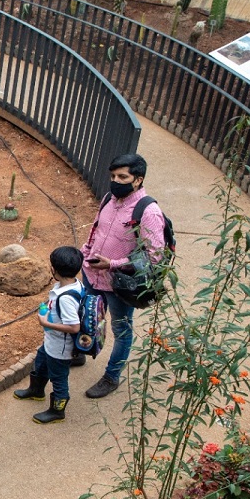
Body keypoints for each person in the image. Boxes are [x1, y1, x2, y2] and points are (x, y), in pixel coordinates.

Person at [79, 153, 167, 399]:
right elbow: (96, 230)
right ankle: (80, 352)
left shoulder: (148, 211)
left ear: (138, 180)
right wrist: (85, 254)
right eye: (113, 176)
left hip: (119, 286)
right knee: (88, 318)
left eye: (122, 177)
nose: (115, 181)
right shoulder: (109, 198)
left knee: (122, 330)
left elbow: (154, 256)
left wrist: (113, 264)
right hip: (92, 275)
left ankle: (111, 376)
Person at [14, 247, 83, 424]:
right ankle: (36, 391)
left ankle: (57, 411)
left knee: (59, 378)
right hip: (51, 342)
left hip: (60, 348)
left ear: (55, 270)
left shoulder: (66, 298)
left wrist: (46, 323)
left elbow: (74, 327)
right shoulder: (73, 284)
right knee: (41, 362)